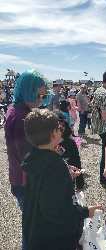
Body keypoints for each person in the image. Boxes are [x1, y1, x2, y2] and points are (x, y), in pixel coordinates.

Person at [22, 109, 103, 249]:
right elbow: (55, 211)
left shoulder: (32, 158)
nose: (61, 130)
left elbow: (44, 186)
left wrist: (67, 173)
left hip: (36, 231)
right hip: (55, 239)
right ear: (54, 134)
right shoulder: (55, 166)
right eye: (59, 128)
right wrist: (86, 211)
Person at [4, 69, 50, 249]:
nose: (40, 100)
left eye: (43, 96)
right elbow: (30, 158)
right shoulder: (22, 117)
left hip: (19, 179)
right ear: (25, 91)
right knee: (34, 228)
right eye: (36, 95)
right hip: (26, 183)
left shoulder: (14, 109)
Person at [91, 70, 106, 184]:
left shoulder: (99, 90)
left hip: (99, 126)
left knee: (105, 151)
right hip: (104, 127)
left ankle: (105, 176)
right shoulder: (105, 93)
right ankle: (105, 177)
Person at [54, 109, 85, 192]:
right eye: (56, 128)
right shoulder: (46, 144)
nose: (59, 130)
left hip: (69, 181)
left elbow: (77, 162)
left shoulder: (70, 143)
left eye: (62, 127)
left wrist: (80, 183)